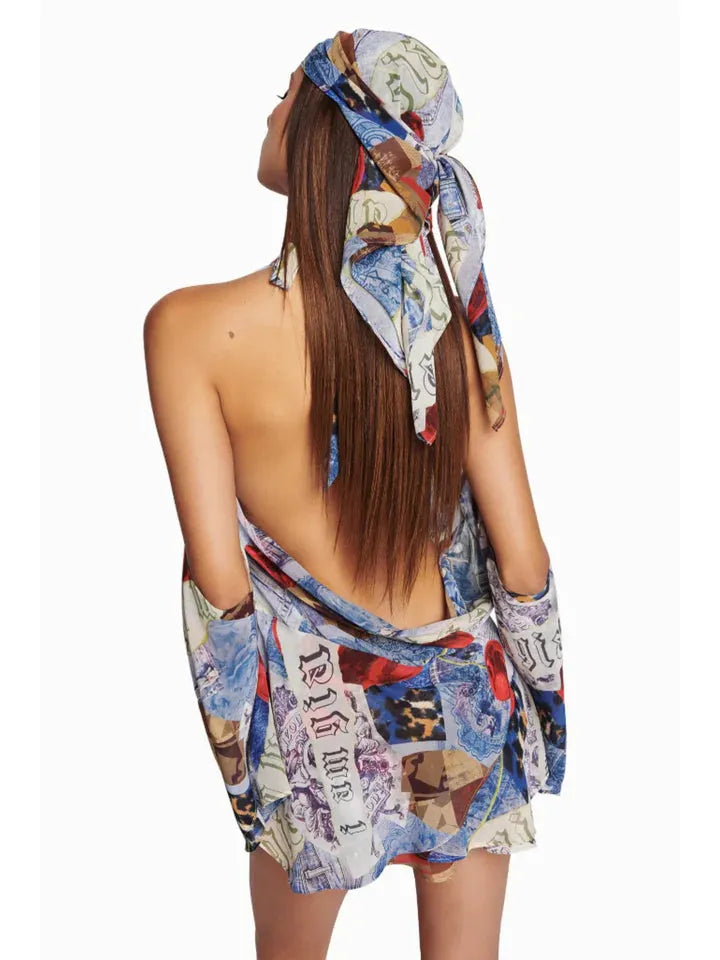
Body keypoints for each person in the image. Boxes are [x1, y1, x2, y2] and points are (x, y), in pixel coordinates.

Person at [144, 28, 566, 960]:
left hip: (316, 725)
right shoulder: (454, 329)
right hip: (465, 694)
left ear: (324, 126)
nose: (270, 111)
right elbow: (523, 562)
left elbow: (222, 589)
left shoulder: (190, 328)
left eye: (287, 93)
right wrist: (540, 714)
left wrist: (250, 773)